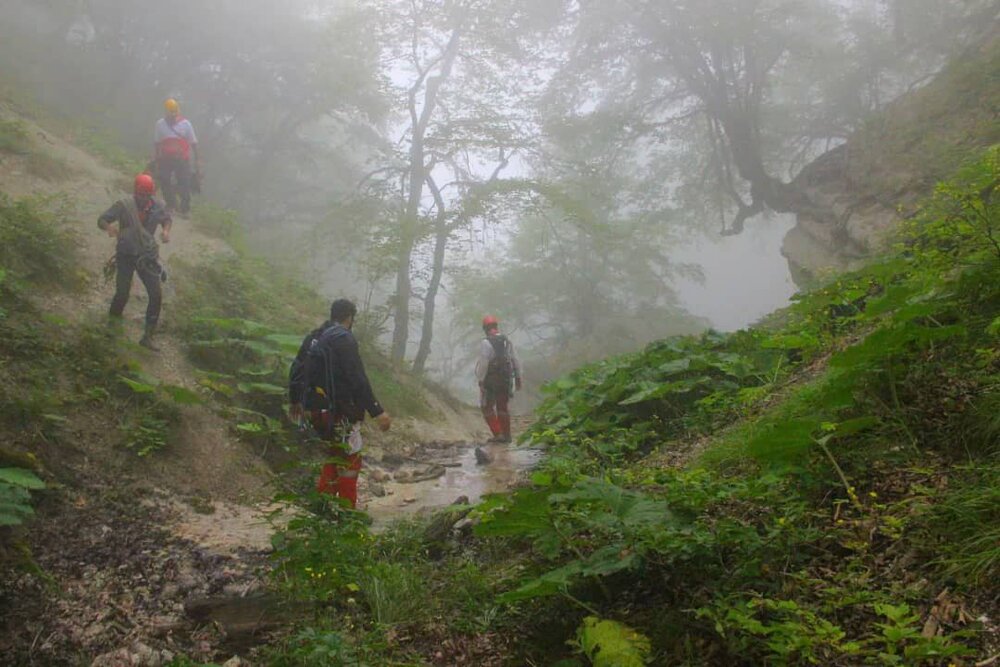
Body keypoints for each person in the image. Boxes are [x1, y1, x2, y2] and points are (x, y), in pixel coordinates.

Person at [288, 299, 392, 508]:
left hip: (315, 411)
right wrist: (377, 411)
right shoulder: (344, 339)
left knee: (333, 454)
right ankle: (347, 513)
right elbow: (357, 378)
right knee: (350, 459)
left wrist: (295, 400)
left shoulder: (315, 337)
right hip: (341, 411)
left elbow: (297, 367)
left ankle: (324, 508)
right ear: (350, 317)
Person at [98, 173, 171, 350]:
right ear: (135, 191)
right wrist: (109, 228)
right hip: (125, 254)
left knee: (156, 295)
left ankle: (148, 336)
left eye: (147, 194)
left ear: (151, 194)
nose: (143, 198)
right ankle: (112, 327)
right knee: (122, 293)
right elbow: (102, 219)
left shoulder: (158, 206)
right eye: (141, 194)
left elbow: (167, 219)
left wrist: (166, 231)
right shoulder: (124, 205)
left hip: (146, 256)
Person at [475, 315, 522, 443]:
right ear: (496, 326)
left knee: (487, 407)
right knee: (502, 407)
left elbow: (484, 363)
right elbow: (515, 359)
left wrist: (480, 380)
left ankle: (498, 434)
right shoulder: (506, 340)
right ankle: (507, 436)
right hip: (506, 379)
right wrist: (518, 377)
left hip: (491, 380)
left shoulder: (486, 342)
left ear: (485, 328)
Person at [154, 98, 199, 216]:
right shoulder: (160, 124)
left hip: (182, 159)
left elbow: (194, 143)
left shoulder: (186, 124)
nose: (173, 117)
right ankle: (171, 204)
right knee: (164, 179)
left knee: (185, 183)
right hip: (165, 158)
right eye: (171, 114)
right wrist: (156, 157)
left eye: (175, 114)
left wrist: (197, 160)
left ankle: (185, 209)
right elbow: (157, 143)